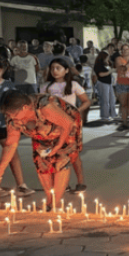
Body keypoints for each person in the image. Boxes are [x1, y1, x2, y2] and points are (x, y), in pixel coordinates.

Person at [0, 90, 83, 211]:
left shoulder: (45, 107)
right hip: (42, 131)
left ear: (25, 107)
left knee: (60, 160)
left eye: (13, 114)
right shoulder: (13, 117)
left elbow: (68, 123)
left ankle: (55, 204)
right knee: (40, 161)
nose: (11, 117)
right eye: (8, 114)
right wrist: (0, 171)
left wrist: (59, 145)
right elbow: (10, 145)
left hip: (66, 125)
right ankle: (50, 200)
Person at [0, 57, 33, 196]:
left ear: (3, 70)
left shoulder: (9, 85)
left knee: (12, 153)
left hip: (6, 124)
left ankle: (21, 185)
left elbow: (16, 103)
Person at [40, 58, 90, 193]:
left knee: (73, 153)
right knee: (55, 153)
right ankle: (62, 183)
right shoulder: (46, 87)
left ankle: (80, 182)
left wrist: (75, 111)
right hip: (52, 124)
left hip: (70, 123)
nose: (55, 71)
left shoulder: (73, 85)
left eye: (58, 68)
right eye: (52, 68)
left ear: (66, 70)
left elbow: (86, 101)